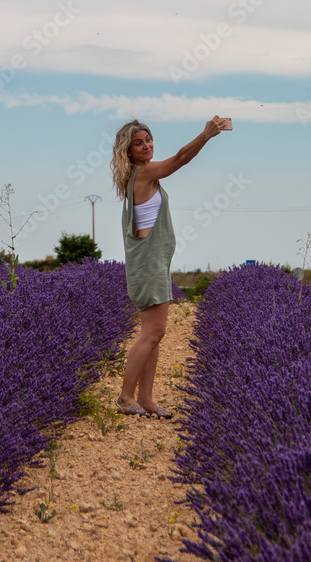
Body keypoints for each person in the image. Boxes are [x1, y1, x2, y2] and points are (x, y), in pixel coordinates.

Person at [110, 115, 232, 418]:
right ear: (128, 151)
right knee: (152, 334)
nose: (146, 145)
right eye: (138, 143)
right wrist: (206, 135)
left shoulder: (142, 177)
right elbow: (180, 158)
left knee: (155, 334)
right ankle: (126, 397)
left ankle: (147, 398)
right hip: (148, 266)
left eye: (148, 139)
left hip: (153, 265)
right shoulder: (142, 174)